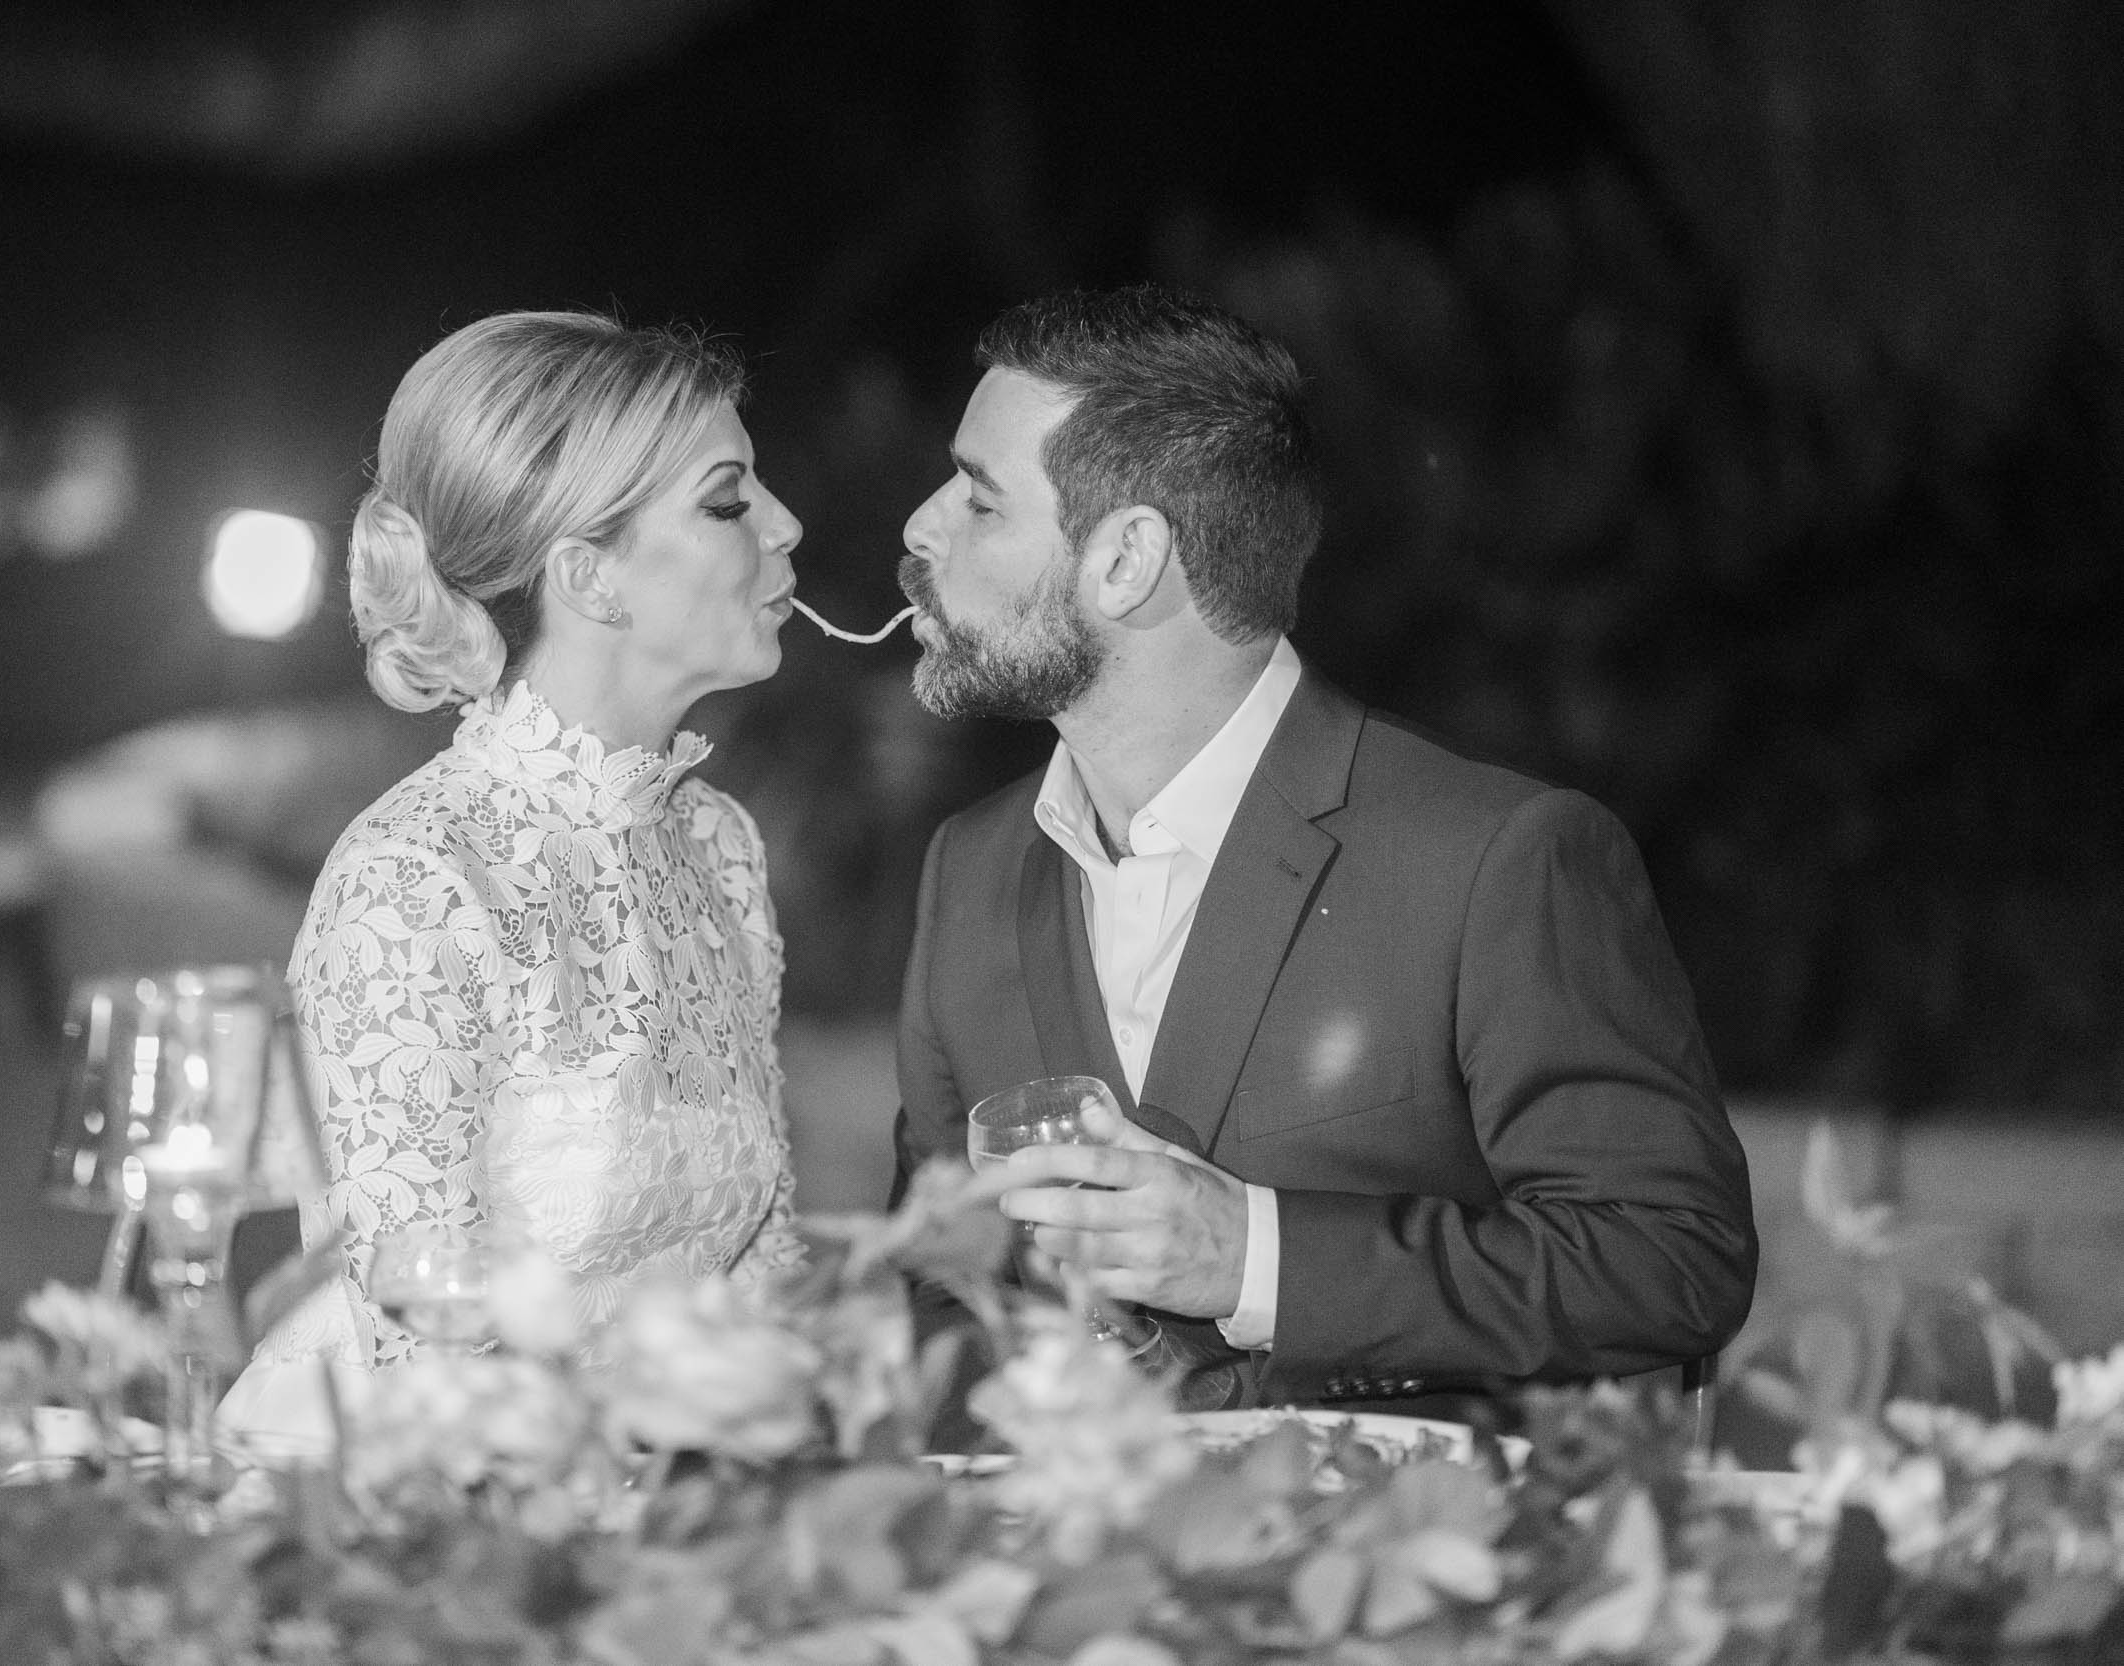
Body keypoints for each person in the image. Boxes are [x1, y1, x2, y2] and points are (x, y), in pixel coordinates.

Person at [889, 284, 1756, 1422]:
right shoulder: (969, 869)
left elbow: (1670, 1261)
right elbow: (939, 1281)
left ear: (1125, 561)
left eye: (980, 498)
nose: (921, 524)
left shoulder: (1496, 858)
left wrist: (1252, 1258)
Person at [226, 310, 808, 1432]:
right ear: (591, 578)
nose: (785, 524)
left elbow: (759, 1261)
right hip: (427, 1517)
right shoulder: (414, 881)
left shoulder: (718, 844)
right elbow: (421, 1350)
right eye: (729, 500)